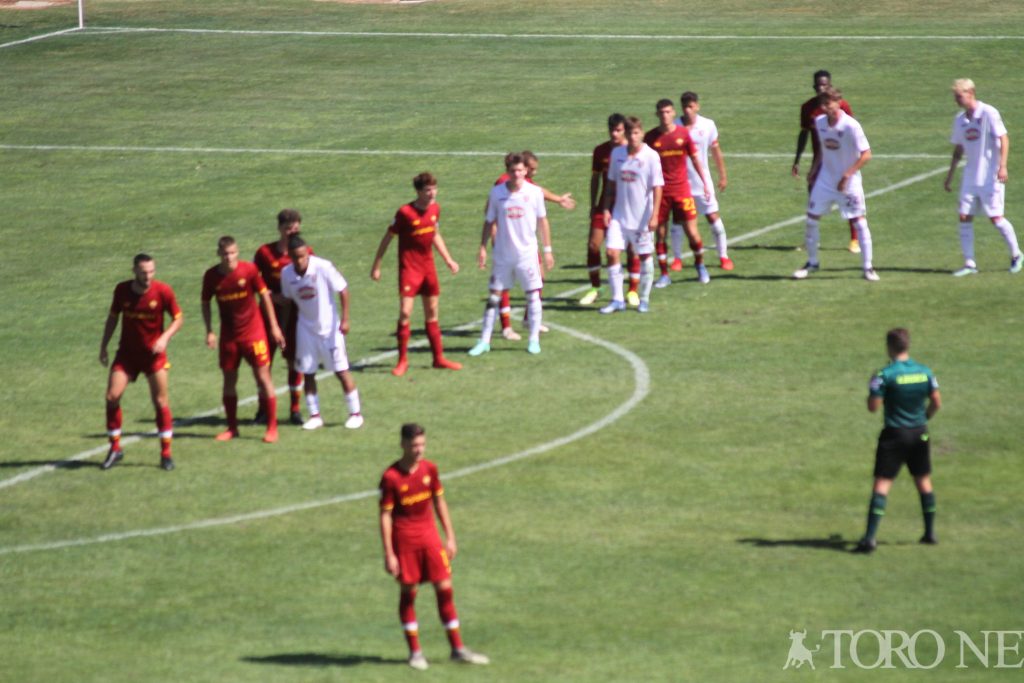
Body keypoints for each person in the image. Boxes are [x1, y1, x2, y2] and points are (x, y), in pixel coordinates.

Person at [378, 423, 490, 670]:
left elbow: (440, 502)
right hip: (405, 541)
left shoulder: (430, 469)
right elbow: (385, 516)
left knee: (445, 589)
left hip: (430, 538)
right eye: (414, 445)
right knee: (409, 594)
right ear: (403, 445)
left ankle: (457, 649)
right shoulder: (391, 477)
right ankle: (415, 653)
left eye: (422, 444)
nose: (419, 450)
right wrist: (389, 553)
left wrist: (450, 537)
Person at [855, 328, 941, 554]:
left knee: (882, 485)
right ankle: (930, 533)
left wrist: (872, 388)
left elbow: (873, 407)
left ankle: (869, 539)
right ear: (907, 345)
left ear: (889, 347)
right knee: (923, 482)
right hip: (919, 432)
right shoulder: (925, 372)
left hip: (894, 434)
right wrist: (924, 418)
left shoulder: (885, 374)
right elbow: (936, 402)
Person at [370, 172, 462, 376]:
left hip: (428, 268)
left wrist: (448, 259)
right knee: (405, 312)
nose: (432, 193)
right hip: (410, 269)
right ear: (419, 191)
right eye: (428, 190)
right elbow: (388, 237)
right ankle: (402, 361)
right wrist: (377, 265)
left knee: (432, 312)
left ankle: (438, 358)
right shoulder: (405, 212)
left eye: (434, 189)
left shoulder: (435, 209)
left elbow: (435, 233)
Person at [99, 253, 183, 471]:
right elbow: (113, 317)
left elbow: (178, 318)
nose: (148, 276)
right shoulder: (122, 290)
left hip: (153, 357)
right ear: (134, 271)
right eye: (144, 272)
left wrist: (164, 338)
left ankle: (166, 454)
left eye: (151, 271)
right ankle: (115, 448)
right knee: (112, 396)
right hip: (127, 355)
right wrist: (104, 345)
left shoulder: (163, 291)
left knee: (161, 402)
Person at [201, 236, 286, 443]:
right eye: (225, 254)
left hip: (253, 334)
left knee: (263, 378)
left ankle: (272, 428)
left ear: (237, 252)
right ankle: (232, 428)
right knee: (229, 381)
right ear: (218, 254)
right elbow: (205, 302)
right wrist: (210, 330)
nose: (229, 257)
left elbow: (264, 296)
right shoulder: (211, 276)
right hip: (229, 338)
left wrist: (274, 326)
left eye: (232, 253)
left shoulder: (249, 270)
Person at [469, 153, 554, 356]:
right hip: (502, 255)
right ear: (507, 171)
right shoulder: (497, 193)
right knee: (494, 296)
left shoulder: (534, 193)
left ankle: (533, 340)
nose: (517, 174)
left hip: (527, 255)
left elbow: (543, 221)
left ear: (525, 171)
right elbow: (489, 221)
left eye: (520, 170)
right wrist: (482, 247)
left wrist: (547, 250)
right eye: (513, 171)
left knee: (533, 295)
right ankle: (484, 341)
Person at [792, 87, 879, 282]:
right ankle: (812, 262)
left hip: (849, 183)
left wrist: (847, 175)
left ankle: (868, 267)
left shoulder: (851, 126)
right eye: (823, 104)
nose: (825, 108)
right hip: (826, 180)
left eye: (828, 104)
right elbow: (824, 150)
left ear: (838, 103)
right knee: (811, 219)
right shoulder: (820, 122)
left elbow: (866, 154)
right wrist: (814, 169)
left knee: (860, 222)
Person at [279, 234, 363, 430]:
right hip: (305, 329)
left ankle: (355, 414)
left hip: (330, 329)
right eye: (295, 257)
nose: (300, 260)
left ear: (307, 253)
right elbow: (288, 303)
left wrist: (345, 319)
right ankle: (315, 415)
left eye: (303, 256)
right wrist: (283, 329)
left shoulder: (323, 267)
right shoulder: (286, 274)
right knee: (308, 372)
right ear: (290, 256)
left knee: (341, 371)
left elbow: (343, 289)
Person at [943, 78, 1023, 276]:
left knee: (995, 218)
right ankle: (970, 263)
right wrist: (950, 175)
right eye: (955, 97)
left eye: (959, 96)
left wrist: (1002, 166)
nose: (956, 100)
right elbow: (958, 148)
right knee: (964, 216)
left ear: (970, 93)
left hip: (990, 176)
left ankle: (1016, 254)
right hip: (970, 177)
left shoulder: (989, 113)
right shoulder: (960, 120)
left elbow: (1004, 138)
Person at [490, 151, 573, 340]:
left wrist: (558, 199)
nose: (534, 173)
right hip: (506, 244)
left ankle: (529, 319)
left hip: (526, 244)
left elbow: (539, 191)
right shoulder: (503, 183)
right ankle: (506, 327)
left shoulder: (526, 183)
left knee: (539, 278)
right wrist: (494, 241)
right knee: (504, 285)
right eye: (533, 169)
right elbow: (492, 213)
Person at [644, 99, 713, 286]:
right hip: (660, 193)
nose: (665, 116)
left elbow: (695, 159)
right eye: (661, 112)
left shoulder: (683, 134)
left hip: (682, 191)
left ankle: (700, 265)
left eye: (668, 112)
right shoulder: (650, 138)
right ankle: (664, 274)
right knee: (660, 234)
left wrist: (705, 183)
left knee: (692, 232)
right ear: (657, 114)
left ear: (673, 113)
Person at [599, 116, 664, 314]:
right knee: (611, 253)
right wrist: (606, 209)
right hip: (619, 216)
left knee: (644, 256)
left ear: (641, 133)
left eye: (636, 133)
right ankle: (617, 299)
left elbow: (658, 187)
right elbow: (611, 183)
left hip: (642, 218)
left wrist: (654, 215)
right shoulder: (617, 153)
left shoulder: (651, 156)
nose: (633, 137)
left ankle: (644, 298)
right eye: (630, 133)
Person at [791, 69, 859, 254]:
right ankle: (812, 240)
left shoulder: (842, 106)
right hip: (820, 160)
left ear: (830, 86)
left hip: (841, 161)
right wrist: (797, 160)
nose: (821, 88)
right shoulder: (808, 107)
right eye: (818, 85)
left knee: (847, 198)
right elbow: (804, 133)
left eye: (825, 85)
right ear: (814, 86)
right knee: (813, 199)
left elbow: (852, 132)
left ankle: (854, 239)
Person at [253, 209, 307, 425]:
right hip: (267, 316)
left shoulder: (305, 252)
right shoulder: (265, 253)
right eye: (287, 228)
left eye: (295, 228)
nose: (291, 232)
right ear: (279, 229)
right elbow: (253, 281)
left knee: (294, 362)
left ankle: (295, 409)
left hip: (295, 316)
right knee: (264, 363)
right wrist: (272, 296)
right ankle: (263, 410)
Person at [678, 91, 734, 271]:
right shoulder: (675, 127)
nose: (687, 110)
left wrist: (722, 175)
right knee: (679, 220)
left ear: (697, 106)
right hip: (680, 183)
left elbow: (716, 151)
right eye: (685, 106)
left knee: (713, 217)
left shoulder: (708, 125)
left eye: (691, 106)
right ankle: (677, 259)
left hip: (702, 183)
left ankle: (723, 256)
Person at [579, 113, 629, 306]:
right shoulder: (601, 151)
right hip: (604, 205)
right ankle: (595, 288)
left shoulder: (632, 151)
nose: (614, 134)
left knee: (629, 248)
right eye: (612, 130)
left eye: (618, 130)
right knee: (593, 245)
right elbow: (595, 179)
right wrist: (593, 205)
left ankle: (633, 289)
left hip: (627, 206)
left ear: (624, 130)